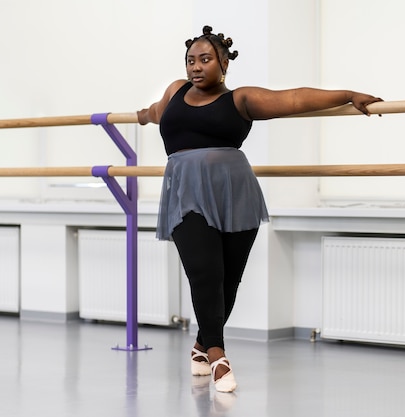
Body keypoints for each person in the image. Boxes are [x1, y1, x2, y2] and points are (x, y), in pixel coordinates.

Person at [137, 25, 382, 393]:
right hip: (186, 192)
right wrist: (138, 115)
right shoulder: (176, 91)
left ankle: (202, 346)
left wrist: (348, 95)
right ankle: (218, 356)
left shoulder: (241, 99)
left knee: (228, 280)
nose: (196, 67)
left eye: (205, 60)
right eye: (191, 60)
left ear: (223, 64)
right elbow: (157, 112)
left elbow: (295, 99)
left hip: (234, 193)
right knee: (203, 272)